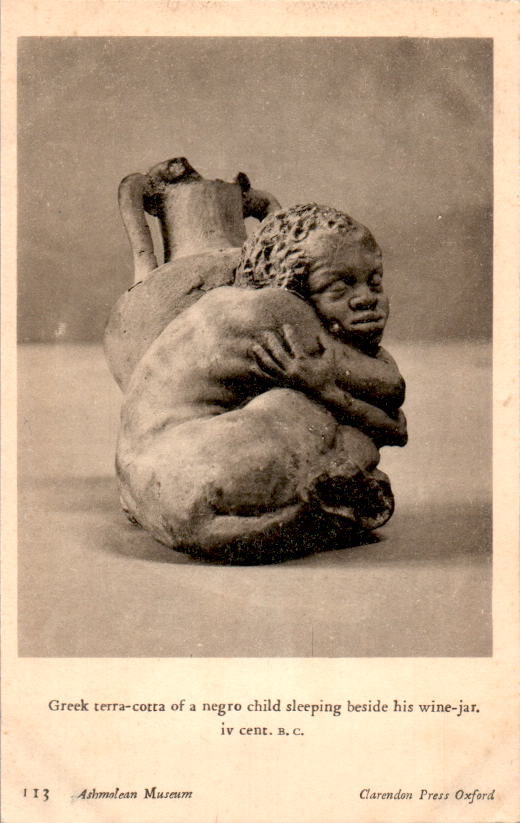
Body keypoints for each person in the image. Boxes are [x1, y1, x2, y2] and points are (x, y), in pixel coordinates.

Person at [116, 204, 407, 562]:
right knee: (305, 413)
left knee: (336, 428)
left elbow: (393, 421)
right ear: (291, 281)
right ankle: (322, 500)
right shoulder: (279, 310)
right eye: (338, 285)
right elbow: (391, 385)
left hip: (152, 485)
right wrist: (345, 397)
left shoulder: (226, 304)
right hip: (187, 470)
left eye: (374, 281)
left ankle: (310, 504)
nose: (365, 298)